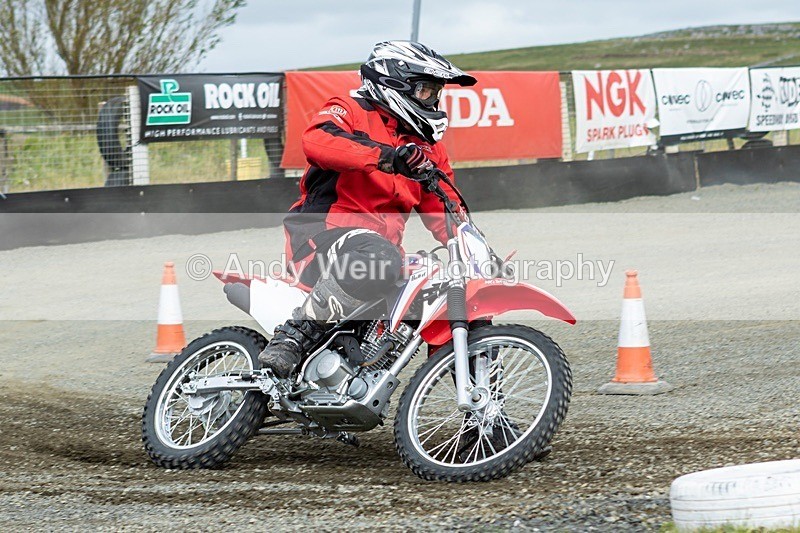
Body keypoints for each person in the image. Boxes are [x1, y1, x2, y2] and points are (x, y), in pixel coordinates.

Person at [258, 40, 477, 378]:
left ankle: (482, 415)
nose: (433, 101)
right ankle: (294, 336)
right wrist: (386, 157)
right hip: (323, 238)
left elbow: (447, 210)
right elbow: (316, 141)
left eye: (437, 93)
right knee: (379, 256)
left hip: (380, 253)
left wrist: (475, 253)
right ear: (395, 82)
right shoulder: (351, 109)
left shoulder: (427, 150)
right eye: (425, 90)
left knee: (455, 290)